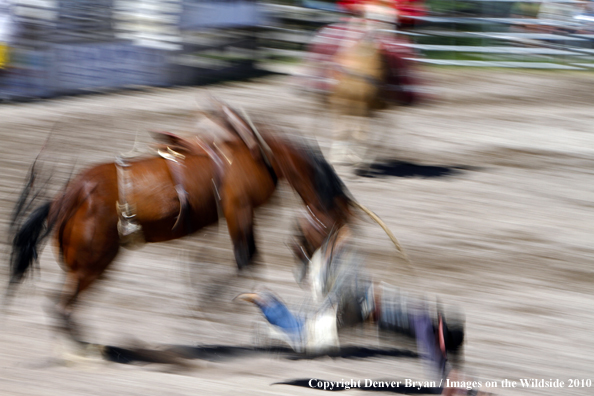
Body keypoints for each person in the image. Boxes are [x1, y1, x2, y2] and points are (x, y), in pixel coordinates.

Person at [236, 225, 465, 384]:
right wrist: (447, 377)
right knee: (304, 334)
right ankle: (268, 299)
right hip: (360, 307)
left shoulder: (424, 320)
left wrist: (450, 376)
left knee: (305, 331)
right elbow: (435, 357)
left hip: (360, 308)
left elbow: (436, 355)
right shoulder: (423, 323)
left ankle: (267, 299)